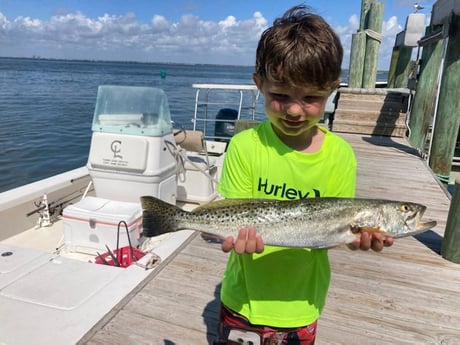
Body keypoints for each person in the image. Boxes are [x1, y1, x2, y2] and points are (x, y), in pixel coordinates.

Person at [213, 4, 394, 345]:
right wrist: (236, 238)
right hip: (242, 299)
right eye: (280, 95)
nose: (294, 110)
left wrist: (357, 241)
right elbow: (234, 213)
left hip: (302, 305)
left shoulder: (340, 156)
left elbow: (338, 230)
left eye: (311, 97)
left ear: (332, 90)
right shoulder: (243, 146)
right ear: (259, 85)